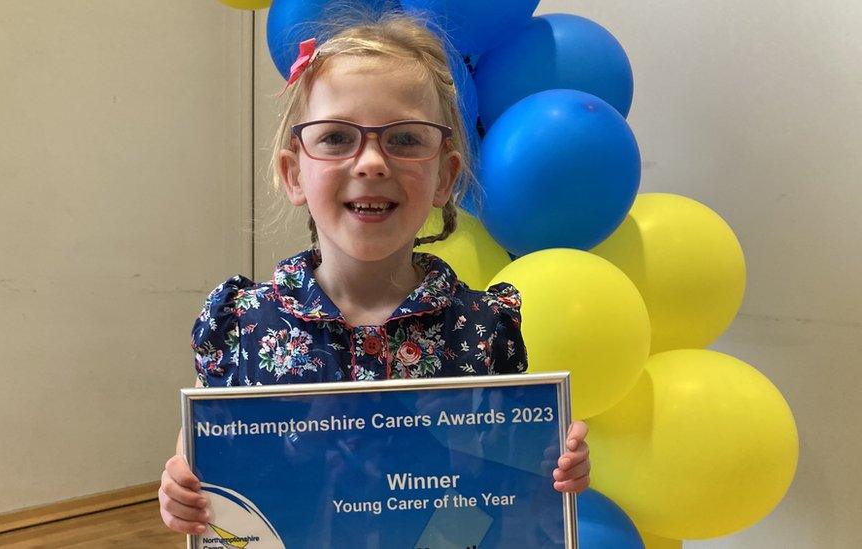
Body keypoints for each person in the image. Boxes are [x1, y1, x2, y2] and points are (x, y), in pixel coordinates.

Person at [159, 13, 590, 536]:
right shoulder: (243, 325)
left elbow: (512, 471)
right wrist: (181, 484)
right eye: (337, 137)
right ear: (294, 173)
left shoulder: (482, 329)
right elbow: (208, 446)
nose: (371, 163)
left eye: (405, 139)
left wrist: (556, 465)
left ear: (445, 177)